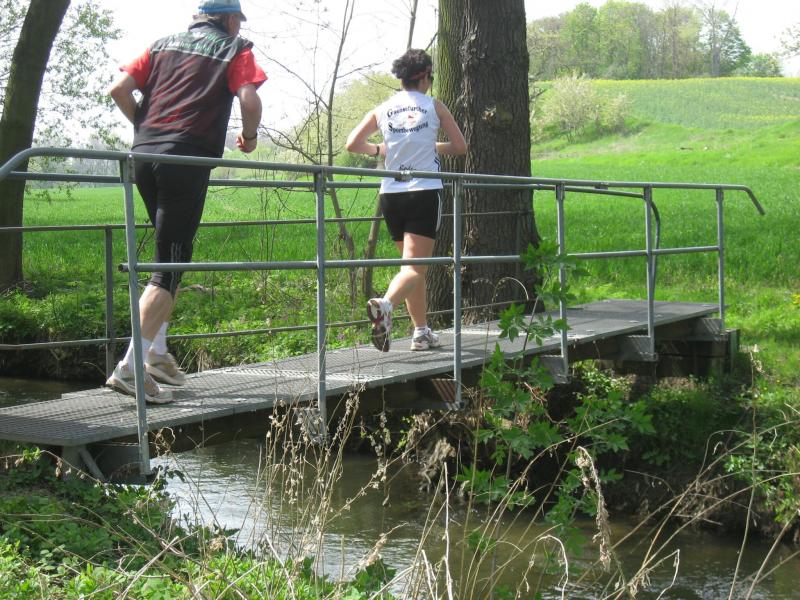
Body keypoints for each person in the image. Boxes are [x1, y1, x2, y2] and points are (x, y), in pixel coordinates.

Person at [106, 0, 266, 403]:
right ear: (228, 19)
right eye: (237, 20)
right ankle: (130, 369)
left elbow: (119, 89)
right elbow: (249, 100)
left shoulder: (161, 44)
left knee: (171, 257)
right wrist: (249, 137)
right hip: (186, 158)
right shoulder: (233, 48)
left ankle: (156, 354)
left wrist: (145, 127)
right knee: (169, 267)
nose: (238, 26)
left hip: (143, 156)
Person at [346, 49, 467, 352]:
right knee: (415, 268)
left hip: (391, 195)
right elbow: (460, 147)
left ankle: (421, 332)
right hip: (423, 192)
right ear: (425, 76)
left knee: (412, 269)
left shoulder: (383, 109)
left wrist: (379, 150)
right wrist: (432, 145)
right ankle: (385, 305)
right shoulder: (434, 106)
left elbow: (353, 144)